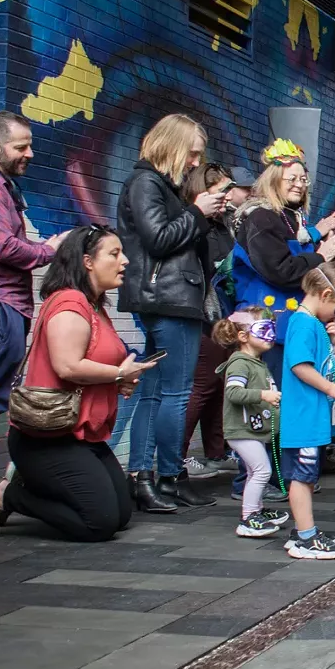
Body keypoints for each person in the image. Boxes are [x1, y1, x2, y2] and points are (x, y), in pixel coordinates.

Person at [0, 227, 156, 540]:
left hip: (82, 434)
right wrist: (118, 374)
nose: (124, 261)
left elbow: (94, 367)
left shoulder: (95, 306)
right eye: (114, 254)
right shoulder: (69, 302)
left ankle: (38, 487)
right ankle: (8, 495)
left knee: (121, 515)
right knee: (99, 523)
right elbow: (67, 366)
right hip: (47, 437)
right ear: (87, 262)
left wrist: (119, 380)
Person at [116, 114, 226, 511]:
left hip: (166, 297)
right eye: (193, 153)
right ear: (173, 146)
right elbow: (159, 239)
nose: (196, 162)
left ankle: (148, 477)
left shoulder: (156, 185)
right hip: (169, 299)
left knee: (155, 392)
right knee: (174, 393)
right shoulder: (147, 183)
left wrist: (202, 216)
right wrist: (197, 212)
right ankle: (165, 476)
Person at [231, 139, 335, 373]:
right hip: (266, 331)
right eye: (292, 179)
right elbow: (281, 270)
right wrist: (321, 256)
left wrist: (328, 256)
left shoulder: (289, 218)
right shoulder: (261, 217)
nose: (299, 185)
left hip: (289, 328)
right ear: (274, 179)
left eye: (303, 179)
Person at [0, 112, 66, 465]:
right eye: (21, 147)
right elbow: (2, 246)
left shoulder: (4, 187)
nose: (30, 154)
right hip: (1, 307)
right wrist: (48, 251)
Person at [278, 261, 335, 560]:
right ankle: (306, 537)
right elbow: (299, 366)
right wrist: (330, 388)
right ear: (325, 295)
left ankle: (302, 530)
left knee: (307, 475)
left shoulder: (311, 324)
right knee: (302, 476)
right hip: (304, 416)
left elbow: (320, 363)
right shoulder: (304, 324)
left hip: (311, 417)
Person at [181, 163, 239, 483]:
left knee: (218, 384)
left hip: (223, 315)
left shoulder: (223, 225)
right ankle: (178, 457)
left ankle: (217, 452)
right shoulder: (194, 222)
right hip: (204, 314)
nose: (227, 197)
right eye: (222, 191)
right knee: (202, 385)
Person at [212, 310, 289, 538]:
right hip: (241, 430)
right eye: (263, 330)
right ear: (243, 336)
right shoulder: (239, 364)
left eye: (272, 329)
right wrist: (263, 395)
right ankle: (248, 518)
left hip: (251, 429)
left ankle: (256, 510)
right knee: (262, 471)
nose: (270, 335)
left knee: (254, 472)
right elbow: (234, 393)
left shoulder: (255, 363)